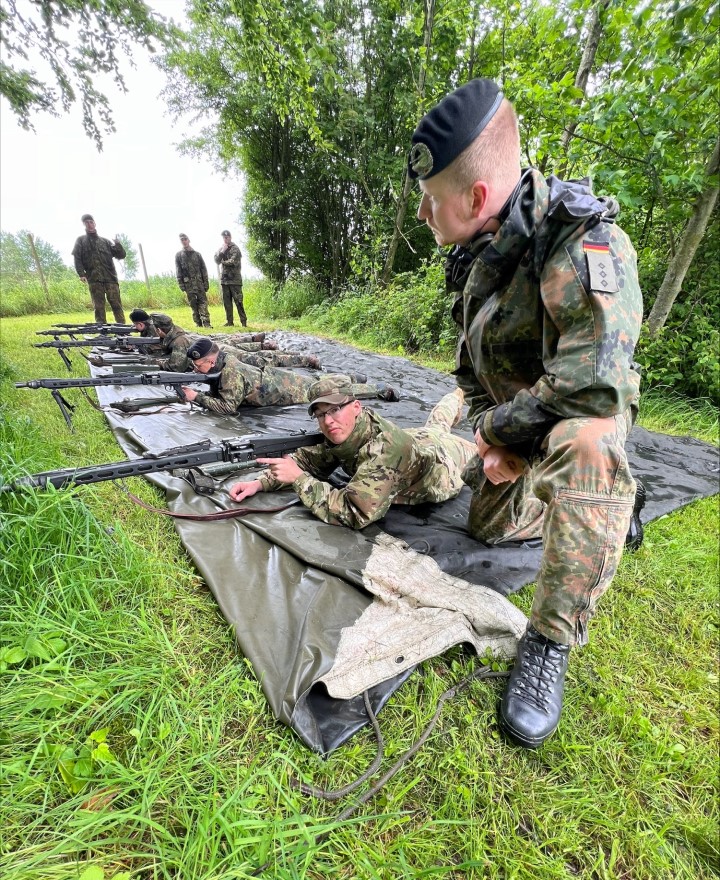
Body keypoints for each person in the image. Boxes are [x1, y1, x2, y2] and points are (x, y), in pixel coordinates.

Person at [409, 79, 644, 749]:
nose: (425, 213)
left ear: (475, 197)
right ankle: (600, 510)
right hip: (517, 421)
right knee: (486, 529)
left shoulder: (584, 245)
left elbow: (592, 386)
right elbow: (475, 366)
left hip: (572, 419)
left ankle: (547, 643)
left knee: (591, 443)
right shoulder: (482, 251)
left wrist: (492, 432)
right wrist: (490, 438)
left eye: (431, 201)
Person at [229, 377, 476, 530]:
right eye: (320, 414)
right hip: (417, 439)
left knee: (476, 447)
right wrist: (259, 483)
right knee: (436, 424)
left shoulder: (385, 451)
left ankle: (475, 400)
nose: (328, 421)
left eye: (335, 409)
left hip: (447, 461)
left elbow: (354, 512)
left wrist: (300, 480)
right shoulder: (344, 432)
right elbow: (308, 461)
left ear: (356, 407)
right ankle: (457, 395)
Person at [181, 339, 397, 416]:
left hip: (285, 389)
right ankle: (350, 377)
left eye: (199, 366)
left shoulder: (230, 371)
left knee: (325, 392)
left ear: (211, 361)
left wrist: (196, 397)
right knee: (318, 384)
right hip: (275, 380)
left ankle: (378, 389)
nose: (196, 370)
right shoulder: (222, 364)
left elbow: (228, 408)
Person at [149, 313, 322, 373]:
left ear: (159, 329)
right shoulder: (174, 333)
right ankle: (268, 347)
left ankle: (306, 360)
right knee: (255, 356)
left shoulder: (178, 340)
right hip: (214, 351)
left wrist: (154, 363)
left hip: (218, 353)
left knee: (261, 360)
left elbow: (176, 367)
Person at [71, 214, 126, 324]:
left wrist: (118, 244)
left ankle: (123, 331)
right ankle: (102, 332)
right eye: (86, 222)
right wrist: (81, 273)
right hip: (94, 279)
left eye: (91, 222)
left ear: (95, 223)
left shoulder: (105, 241)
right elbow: (77, 258)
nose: (89, 224)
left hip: (110, 278)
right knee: (99, 307)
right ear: (84, 225)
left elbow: (121, 255)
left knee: (116, 305)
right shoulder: (81, 240)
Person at [175, 234, 212, 328]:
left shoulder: (197, 254)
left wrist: (206, 283)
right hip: (189, 285)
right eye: (182, 240)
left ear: (189, 240)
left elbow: (203, 269)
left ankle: (206, 323)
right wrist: (181, 284)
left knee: (203, 302)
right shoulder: (179, 255)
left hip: (199, 283)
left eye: (185, 239)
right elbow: (178, 271)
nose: (184, 241)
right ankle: (198, 323)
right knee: (193, 304)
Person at [214, 229, 246, 327]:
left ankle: (243, 322)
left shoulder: (235, 248)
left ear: (230, 237)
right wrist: (222, 252)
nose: (225, 239)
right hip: (225, 281)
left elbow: (232, 262)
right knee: (227, 303)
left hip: (235, 280)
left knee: (239, 302)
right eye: (224, 237)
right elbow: (216, 260)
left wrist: (222, 262)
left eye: (227, 237)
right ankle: (229, 322)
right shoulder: (221, 249)